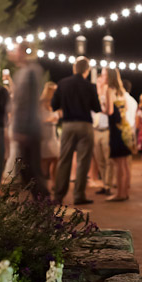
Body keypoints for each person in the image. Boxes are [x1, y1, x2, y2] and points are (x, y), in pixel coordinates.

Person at [52, 57, 102, 206]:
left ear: (74, 68)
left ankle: (58, 195)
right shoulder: (89, 86)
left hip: (67, 125)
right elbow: (97, 108)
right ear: (87, 70)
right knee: (83, 161)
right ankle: (79, 195)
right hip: (85, 125)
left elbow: (54, 104)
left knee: (64, 160)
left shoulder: (62, 83)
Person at [9, 42, 48, 198]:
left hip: (29, 129)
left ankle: (44, 206)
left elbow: (28, 103)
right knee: (26, 171)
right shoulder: (23, 72)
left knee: (31, 171)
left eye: (14, 50)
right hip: (26, 128)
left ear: (22, 52)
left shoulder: (30, 72)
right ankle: (41, 206)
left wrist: (22, 129)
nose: (11, 53)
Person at [102, 68, 134, 201]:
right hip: (124, 128)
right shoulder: (122, 91)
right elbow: (125, 109)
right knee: (125, 162)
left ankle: (120, 194)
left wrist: (102, 107)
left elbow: (109, 111)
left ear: (109, 77)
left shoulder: (109, 89)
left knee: (118, 163)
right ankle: (125, 192)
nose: (103, 77)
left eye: (104, 74)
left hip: (116, 129)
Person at [92, 68, 115, 196]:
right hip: (96, 129)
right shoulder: (95, 94)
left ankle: (108, 185)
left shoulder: (109, 92)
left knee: (108, 159)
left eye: (102, 78)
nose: (100, 81)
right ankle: (104, 184)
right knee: (99, 159)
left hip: (107, 129)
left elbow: (109, 110)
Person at [39, 82, 60, 181]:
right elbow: (37, 120)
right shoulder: (41, 103)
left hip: (53, 135)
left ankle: (54, 182)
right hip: (44, 135)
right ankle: (43, 184)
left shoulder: (55, 103)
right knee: (44, 161)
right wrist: (49, 120)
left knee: (56, 158)